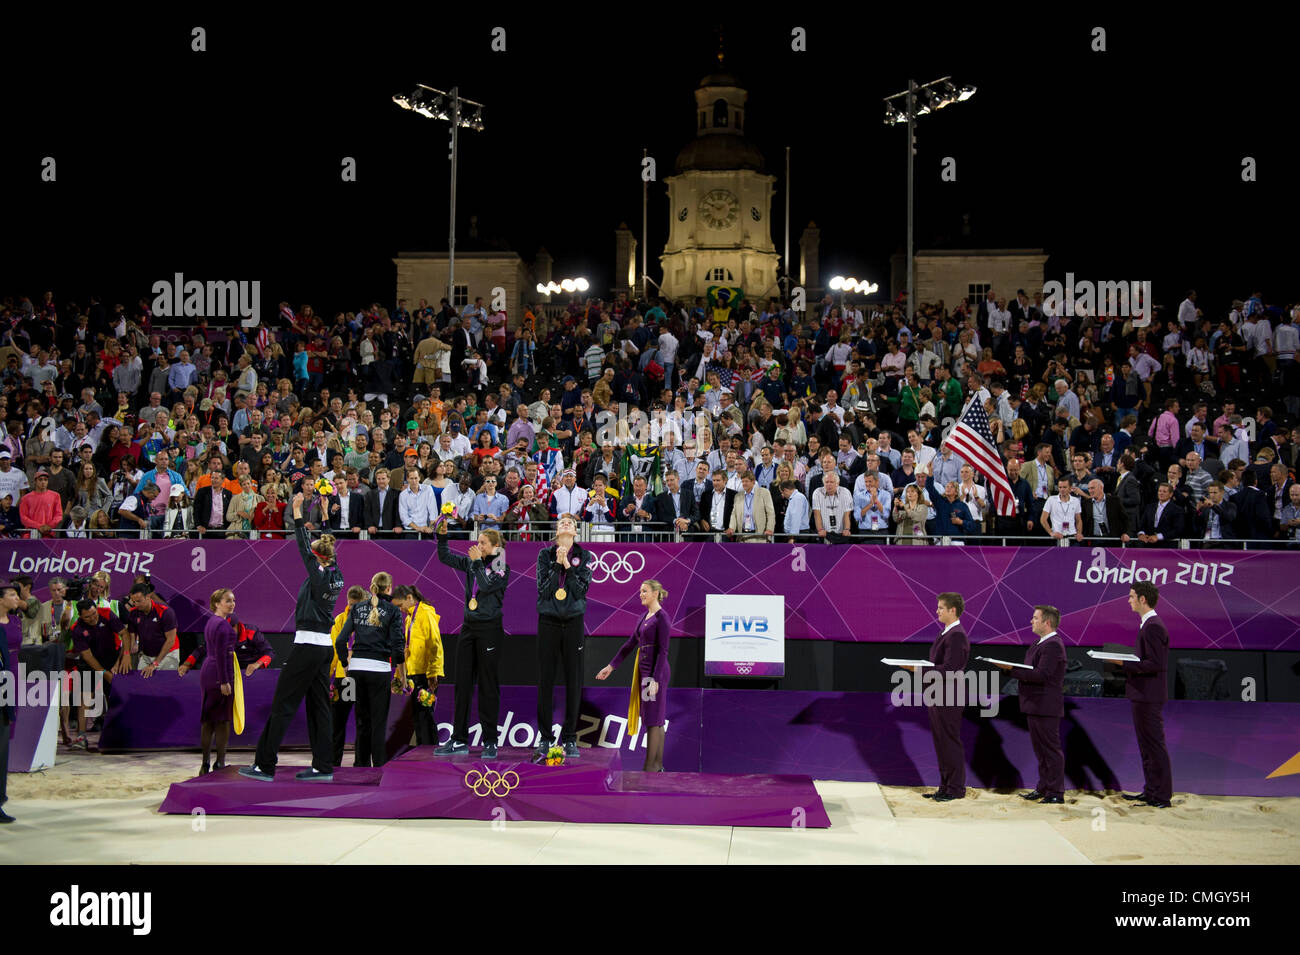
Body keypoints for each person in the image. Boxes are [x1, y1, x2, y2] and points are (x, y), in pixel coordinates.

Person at [240, 492, 344, 783]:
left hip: (308, 646)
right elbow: (328, 543)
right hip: (324, 648)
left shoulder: (320, 574)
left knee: (282, 705)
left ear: (318, 557)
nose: (311, 553)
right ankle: (323, 766)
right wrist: (324, 514)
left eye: (314, 552)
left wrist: (297, 513)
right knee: (320, 708)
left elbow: (302, 547)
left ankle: (264, 765)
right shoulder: (337, 571)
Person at [434, 520, 510, 758]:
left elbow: (486, 586)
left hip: (489, 629)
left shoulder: (502, 566)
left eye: (483, 543)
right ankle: (458, 739)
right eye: (478, 542)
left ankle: (490, 741)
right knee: (462, 684)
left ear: (496, 546)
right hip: (468, 628)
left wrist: (477, 561)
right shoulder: (472, 563)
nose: (479, 546)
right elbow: (444, 558)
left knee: (488, 686)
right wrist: (443, 537)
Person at [535, 514, 593, 760]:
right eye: (562, 523)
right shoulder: (544, 556)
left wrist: (568, 566)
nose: (566, 524)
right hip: (548, 622)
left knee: (573, 680)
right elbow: (543, 590)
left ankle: (570, 738)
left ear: (576, 532)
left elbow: (581, 591)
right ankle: (545, 738)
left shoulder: (585, 556)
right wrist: (557, 564)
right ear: (557, 532)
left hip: (573, 623)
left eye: (571, 523)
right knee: (545, 681)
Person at [597, 579, 671, 772]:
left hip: (654, 674)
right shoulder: (642, 617)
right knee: (655, 719)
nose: (641, 594)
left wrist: (655, 679)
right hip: (644, 672)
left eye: (644, 591)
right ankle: (657, 766)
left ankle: (650, 768)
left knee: (653, 720)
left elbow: (663, 651)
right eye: (640, 591)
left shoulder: (662, 618)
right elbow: (629, 644)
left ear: (655, 594)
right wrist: (611, 666)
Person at [995, 606, 1066, 803]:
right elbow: (1031, 670)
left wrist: (1011, 669)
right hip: (1035, 704)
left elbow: (1042, 675)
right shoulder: (1038, 644)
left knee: (1050, 750)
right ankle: (1044, 787)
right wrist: (1010, 670)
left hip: (1046, 705)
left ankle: (1056, 792)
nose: (1031, 621)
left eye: (1035, 618)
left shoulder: (1053, 645)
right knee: (1041, 750)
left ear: (1047, 622)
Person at [334, 572, 405, 767]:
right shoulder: (393, 611)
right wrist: (401, 675)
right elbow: (398, 646)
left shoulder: (356, 608)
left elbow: (341, 640)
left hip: (356, 671)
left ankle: (360, 766)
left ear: (372, 586)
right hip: (379, 671)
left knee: (362, 722)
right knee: (378, 724)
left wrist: (345, 664)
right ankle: (380, 768)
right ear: (389, 588)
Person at [1116, 582, 1173, 808]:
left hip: (1149, 695)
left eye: (1131, 597)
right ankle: (1151, 790)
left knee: (1154, 746)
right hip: (1143, 694)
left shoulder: (1153, 626)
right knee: (1146, 746)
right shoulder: (1147, 625)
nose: (1128, 600)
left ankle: (1161, 795)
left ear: (1142, 599)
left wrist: (1124, 663)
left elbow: (1155, 664)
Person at [921, 592, 968, 801]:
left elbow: (950, 668)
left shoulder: (956, 635)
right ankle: (945, 786)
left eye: (941, 608)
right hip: (938, 694)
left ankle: (955, 788)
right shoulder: (946, 633)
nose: (937, 611)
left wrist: (919, 670)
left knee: (949, 742)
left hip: (949, 695)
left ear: (952, 610)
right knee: (941, 742)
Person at [192, 588, 239, 775]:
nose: (232, 603)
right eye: (228, 600)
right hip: (219, 675)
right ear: (217, 603)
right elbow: (221, 655)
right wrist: (224, 681)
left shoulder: (212, 622)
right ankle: (219, 763)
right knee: (222, 721)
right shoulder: (222, 625)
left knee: (208, 720)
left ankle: (205, 765)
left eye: (233, 600)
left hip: (209, 671)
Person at [392, 584, 444, 746]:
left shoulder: (426, 613)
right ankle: (423, 752)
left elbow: (435, 644)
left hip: (426, 674)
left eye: (400, 605)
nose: (400, 609)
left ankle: (431, 753)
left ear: (409, 598)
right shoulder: (409, 618)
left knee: (425, 715)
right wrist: (399, 676)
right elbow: (408, 650)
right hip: (413, 674)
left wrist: (433, 673)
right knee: (417, 717)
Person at [328, 586, 367, 767]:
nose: (352, 608)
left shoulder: (370, 620)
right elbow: (335, 650)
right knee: (338, 721)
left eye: (356, 605)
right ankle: (333, 762)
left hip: (363, 678)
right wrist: (329, 675)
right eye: (350, 605)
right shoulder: (340, 620)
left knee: (362, 722)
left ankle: (361, 763)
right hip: (345, 680)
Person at [0, 583, 23, 822]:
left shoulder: (16, 621)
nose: (17, 598)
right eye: (12, 595)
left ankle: (1, 797)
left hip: (13, 677)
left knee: (4, 736)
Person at [123, 581, 179, 673]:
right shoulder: (133, 612)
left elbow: (170, 641)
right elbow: (131, 635)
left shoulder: (165, 612)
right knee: (142, 685)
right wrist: (128, 653)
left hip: (168, 655)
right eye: (133, 601)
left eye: (139, 601)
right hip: (146, 656)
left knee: (164, 685)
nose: (136, 604)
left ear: (148, 597)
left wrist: (155, 664)